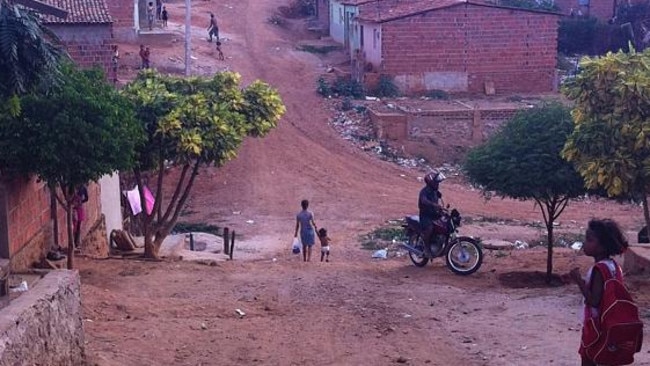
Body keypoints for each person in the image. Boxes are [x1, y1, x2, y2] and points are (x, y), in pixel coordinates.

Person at [569, 219, 629, 366]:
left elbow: (594, 301)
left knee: (588, 357)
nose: (585, 243)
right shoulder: (613, 266)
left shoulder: (599, 270)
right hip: (609, 322)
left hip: (595, 325)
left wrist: (579, 281)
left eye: (589, 240)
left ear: (602, 247)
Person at [418, 170, 445, 257]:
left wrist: (441, 210)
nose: (438, 185)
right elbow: (423, 200)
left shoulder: (435, 192)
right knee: (430, 228)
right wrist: (434, 205)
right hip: (426, 215)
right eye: (436, 183)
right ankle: (426, 248)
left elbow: (439, 202)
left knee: (444, 225)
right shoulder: (424, 191)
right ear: (431, 183)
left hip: (434, 214)